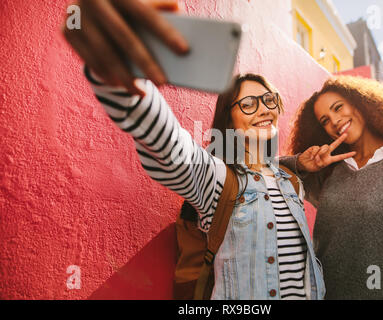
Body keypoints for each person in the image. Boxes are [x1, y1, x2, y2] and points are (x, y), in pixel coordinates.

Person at [62, 0, 353, 300]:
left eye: (269, 100)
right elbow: (169, 144)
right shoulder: (217, 180)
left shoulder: (290, 180)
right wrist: (116, 68)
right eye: (249, 104)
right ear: (230, 119)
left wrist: (299, 165)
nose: (264, 109)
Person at [279, 76, 383, 299]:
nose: (335, 121)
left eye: (338, 108)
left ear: (361, 102)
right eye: (325, 120)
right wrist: (300, 162)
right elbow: (266, 171)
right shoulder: (329, 171)